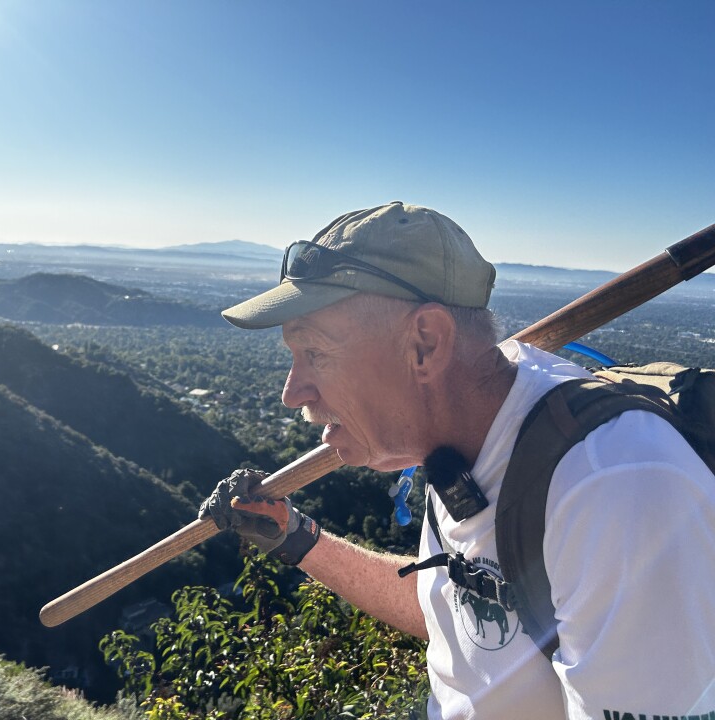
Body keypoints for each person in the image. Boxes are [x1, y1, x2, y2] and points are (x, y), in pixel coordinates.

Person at [198, 201, 715, 719]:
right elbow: (455, 611)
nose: (294, 392)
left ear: (425, 344)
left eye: (315, 354)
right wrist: (295, 537)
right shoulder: (457, 436)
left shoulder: (615, 488)